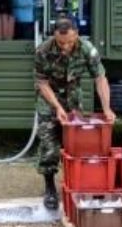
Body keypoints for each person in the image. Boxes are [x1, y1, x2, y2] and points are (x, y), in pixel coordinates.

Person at [34, 16, 116, 210]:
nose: (65, 47)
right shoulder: (43, 50)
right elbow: (42, 83)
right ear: (54, 36)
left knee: (77, 143)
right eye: (61, 43)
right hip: (50, 98)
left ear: (77, 35)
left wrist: (106, 108)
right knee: (49, 144)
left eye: (70, 42)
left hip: (73, 98)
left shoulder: (87, 49)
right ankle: (50, 188)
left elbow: (100, 78)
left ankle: (77, 182)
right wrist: (57, 108)